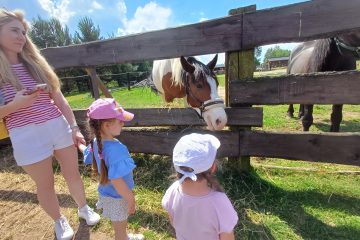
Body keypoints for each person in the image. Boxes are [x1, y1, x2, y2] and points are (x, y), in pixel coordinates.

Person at [0, 9, 100, 240]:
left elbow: (60, 101)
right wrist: (16, 104)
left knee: (73, 175)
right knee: (45, 185)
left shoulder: (36, 65)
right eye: (14, 30)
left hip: (57, 126)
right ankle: (59, 221)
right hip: (25, 134)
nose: (21, 37)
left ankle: (83, 209)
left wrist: (74, 127)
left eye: (23, 32)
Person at [78, 98, 144, 240]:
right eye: (119, 120)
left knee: (119, 225)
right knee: (120, 229)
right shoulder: (116, 149)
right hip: (118, 197)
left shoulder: (97, 142)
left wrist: (78, 144)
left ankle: (124, 236)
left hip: (106, 193)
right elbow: (117, 180)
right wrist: (130, 198)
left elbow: (87, 154)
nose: (123, 122)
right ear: (106, 125)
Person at [162, 133, 238, 240]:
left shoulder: (173, 191)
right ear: (213, 168)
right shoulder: (220, 203)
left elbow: (173, 222)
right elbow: (227, 238)